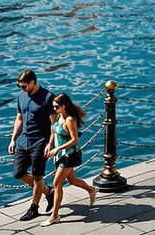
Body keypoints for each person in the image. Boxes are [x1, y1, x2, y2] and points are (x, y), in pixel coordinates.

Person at [43, 93, 96, 225]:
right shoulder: (59, 116)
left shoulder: (70, 120)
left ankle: (54, 215)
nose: (54, 109)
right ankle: (91, 189)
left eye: (56, 107)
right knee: (72, 180)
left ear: (64, 106)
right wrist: (50, 144)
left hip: (69, 155)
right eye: (53, 106)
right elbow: (53, 131)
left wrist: (57, 148)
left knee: (57, 184)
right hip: (60, 155)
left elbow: (74, 139)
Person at [10, 69, 55, 221]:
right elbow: (19, 118)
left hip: (40, 142)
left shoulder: (48, 97)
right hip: (24, 140)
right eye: (19, 86)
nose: (21, 89)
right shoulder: (21, 96)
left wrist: (50, 143)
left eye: (23, 86)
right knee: (18, 172)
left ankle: (34, 208)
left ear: (32, 82)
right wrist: (13, 139)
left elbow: (53, 124)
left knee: (37, 176)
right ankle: (49, 191)